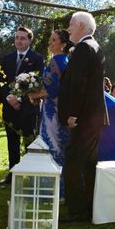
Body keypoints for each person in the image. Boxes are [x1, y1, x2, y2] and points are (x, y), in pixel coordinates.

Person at [58, 12, 108, 222]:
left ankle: (78, 211)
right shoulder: (95, 47)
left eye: (70, 24)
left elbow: (79, 85)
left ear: (80, 25)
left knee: (73, 163)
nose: (68, 28)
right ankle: (88, 209)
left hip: (84, 118)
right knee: (88, 164)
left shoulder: (83, 48)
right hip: (93, 118)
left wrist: (72, 114)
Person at [0, 26, 45, 183]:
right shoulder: (6, 58)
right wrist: (10, 97)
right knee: (12, 142)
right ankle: (12, 174)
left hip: (28, 108)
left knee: (29, 141)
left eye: (23, 38)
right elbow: (0, 81)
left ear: (30, 40)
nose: (19, 41)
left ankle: (31, 176)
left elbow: (37, 82)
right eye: (17, 37)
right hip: (9, 108)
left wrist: (20, 99)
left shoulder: (37, 59)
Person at [28, 30, 73, 169]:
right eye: (50, 39)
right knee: (55, 143)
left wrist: (34, 95)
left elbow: (55, 89)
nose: (50, 43)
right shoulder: (62, 60)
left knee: (53, 144)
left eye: (54, 40)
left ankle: (55, 178)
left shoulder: (59, 61)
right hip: (52, 107)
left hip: (54, 109)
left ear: (63, 44)